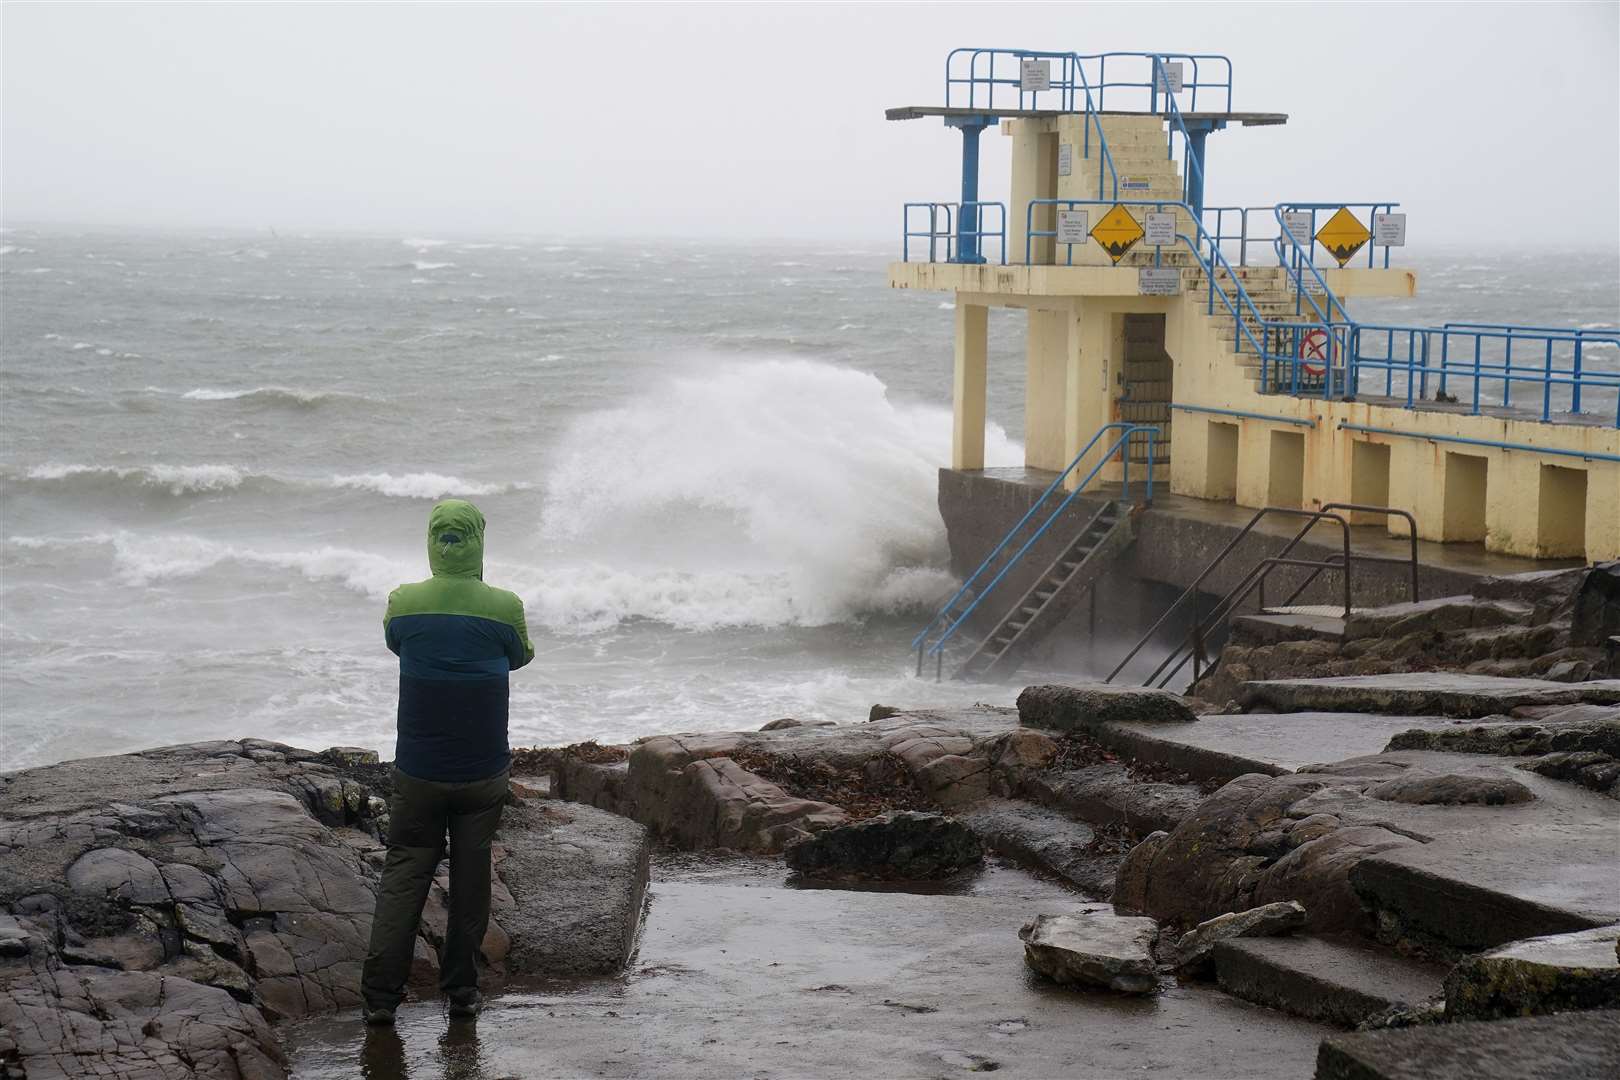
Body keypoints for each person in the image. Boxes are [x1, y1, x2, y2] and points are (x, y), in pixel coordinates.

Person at [361, 499, 534, 1024]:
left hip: (417, 769)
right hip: (482, 771)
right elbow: (520, 655)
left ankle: (380, 1001)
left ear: (432, 540)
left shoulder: (405, 602)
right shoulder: (505, 605)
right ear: (479, 541)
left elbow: (396, 642)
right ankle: (461, 991)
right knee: (471, 875)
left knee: (404, 873)